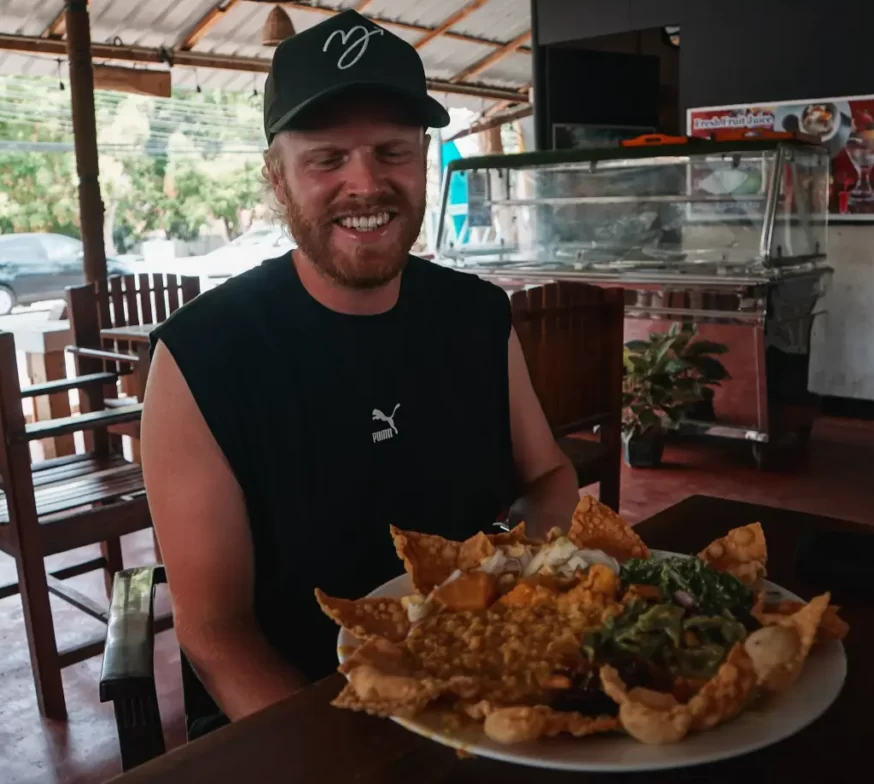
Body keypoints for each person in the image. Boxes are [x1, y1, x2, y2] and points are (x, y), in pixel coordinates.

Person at [139, 9, 579, 737]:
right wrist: (343, 757)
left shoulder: (477, 314)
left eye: (392, 151)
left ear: (424, 159)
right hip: (301, 718)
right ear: (276, 179)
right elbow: (216, 633)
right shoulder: (200, 357)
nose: (366, 183)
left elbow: (549, 480)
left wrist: (509, 582)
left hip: (487, 694)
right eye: (326, 159)